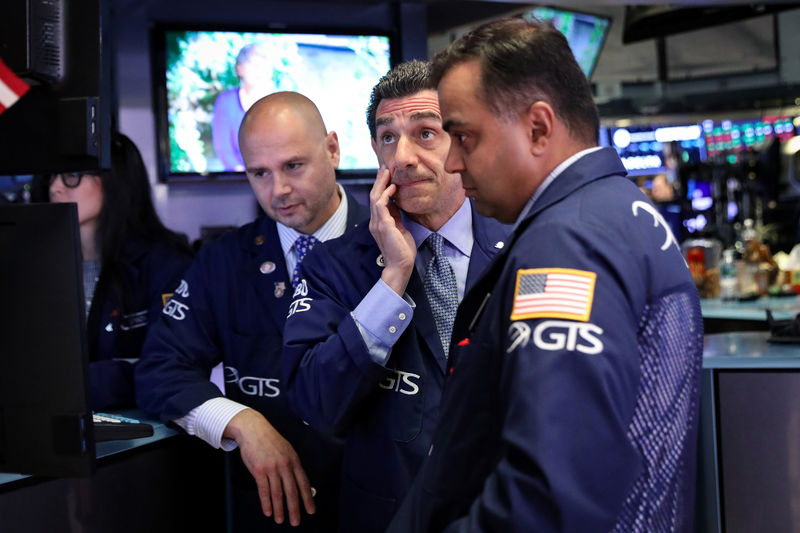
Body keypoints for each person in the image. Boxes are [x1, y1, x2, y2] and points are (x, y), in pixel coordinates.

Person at [387, 18, 704, 533]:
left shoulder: (567, 244)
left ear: (537, 127)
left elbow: (551, 495)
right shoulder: (620, 209)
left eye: (463, 136)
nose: (451, 159)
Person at [282, 60, 508, 533]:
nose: (402, 156)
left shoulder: (522, 242)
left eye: (425, 133)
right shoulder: (334, 264)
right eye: (388, 137)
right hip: (392, 515)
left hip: (504, 509)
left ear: (461, 141)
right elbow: (315, 404)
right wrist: (395, 276)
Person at [136, 91, 368, 532]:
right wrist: (241, 421)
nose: (277, 190)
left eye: (293, 166)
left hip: (377, 507)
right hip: (269, 512)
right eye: (259, 173)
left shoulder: (391, 245)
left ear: (333, 149)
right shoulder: (225, 261)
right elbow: (159, 371)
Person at [36, 133, 193, 410]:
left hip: (139, 430)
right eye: (51, 176)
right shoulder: (39, 263)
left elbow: (168, 369)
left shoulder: (164, 263)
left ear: (115, 180)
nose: (55, 187)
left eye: (72, 175)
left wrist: (56, 384)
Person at [212, 43, 277, 171]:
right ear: (239, 69)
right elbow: (223, 148)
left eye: (262, 65)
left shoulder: (278, 102)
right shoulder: (226, 101)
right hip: (235, 181)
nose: (258, 70)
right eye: (253, 64)